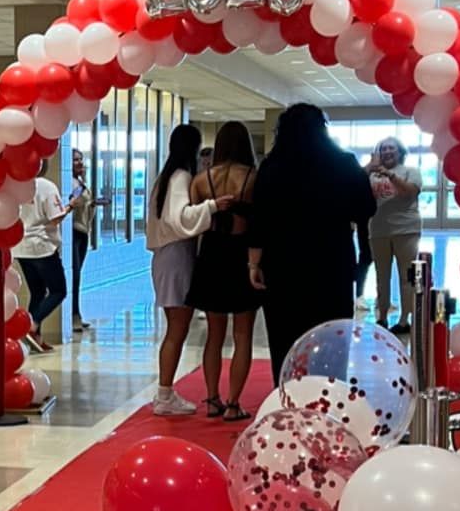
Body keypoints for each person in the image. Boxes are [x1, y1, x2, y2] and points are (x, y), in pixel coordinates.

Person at [247, 103, 376, 381]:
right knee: (332, 336)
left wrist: (253, 264)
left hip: (282, 263)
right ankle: (330, 394)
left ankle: (287, 394)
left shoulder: (272, 166)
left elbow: (258, 218)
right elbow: (365, 208)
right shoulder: (344, 163)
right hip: (332, 261)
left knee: (284, 336)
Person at [146, 122, 230, 416]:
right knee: (177, 329)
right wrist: (212, 206)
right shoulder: (180, 177)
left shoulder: (165, 177)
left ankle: (165, 393)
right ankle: (164, 394)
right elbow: (179, 219)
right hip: (176, 256)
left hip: (166, 257)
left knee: (175, 328)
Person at [190, 120, 259, 421]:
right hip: (241, 254)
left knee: (214, 335)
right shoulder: (253, 177)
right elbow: (259, 220)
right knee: (243, 334)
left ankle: (211, 398)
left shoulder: (201, 179)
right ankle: (234, 403)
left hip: (211, 254)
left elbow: (196, 220)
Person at [365, 136, 423, 335]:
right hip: (378, 230)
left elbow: (409, 192)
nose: (387, 152)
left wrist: (390, 175)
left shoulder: (411, 172)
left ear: (400, 152)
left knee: (406, 276)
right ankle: (381, 317)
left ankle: (404, 319)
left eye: (391, 148)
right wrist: (369, 168)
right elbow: (354, 185)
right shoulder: (372, 174)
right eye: (383, 149)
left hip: (406, 229)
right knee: (382, 277)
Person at [15, 165, 70, 350]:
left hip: (21, 247)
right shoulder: (46, 186)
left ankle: (34, 339)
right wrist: (71, 205)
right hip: (42, 246)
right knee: (58, 291)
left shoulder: (15, 186)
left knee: (37, 292)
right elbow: (56, 217)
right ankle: (33, 324)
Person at [69, 150, 97, 331]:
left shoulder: (81, 182)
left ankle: (76, 313)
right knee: (74, 275)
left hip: (83, 231)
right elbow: (72, 203)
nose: (79, 163)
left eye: (81, 159)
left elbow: (85, 205)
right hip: (73, 232)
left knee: (78, 276)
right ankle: (72, 315)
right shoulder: (70, 183)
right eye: (75, 160)